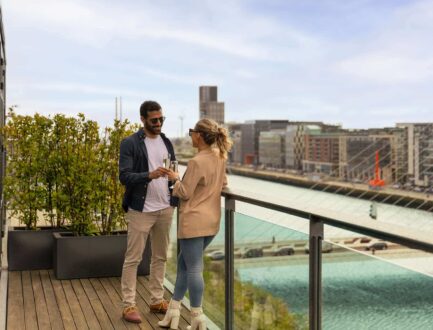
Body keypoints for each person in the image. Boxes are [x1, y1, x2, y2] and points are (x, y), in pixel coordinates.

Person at [158, 118, 232, 330]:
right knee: (183, 265)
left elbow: (185, 192)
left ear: (199, 135)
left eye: (192, 131)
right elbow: (223, 185)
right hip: (211, 222)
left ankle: (197, 316)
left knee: (193, 269)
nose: (190, 135)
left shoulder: (197, 162)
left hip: (193, 223)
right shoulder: (219, 157)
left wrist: (174, 178)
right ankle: (173, 312)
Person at [119, 100, 178, 324]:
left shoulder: (166, 142)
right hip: (140, 210)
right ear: (142, 119)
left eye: (161, 119)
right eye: (154, 120)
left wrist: (174, 188)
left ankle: (156, 300)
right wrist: (149, 175)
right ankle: (128, 305)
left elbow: (173, 170)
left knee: (160, 257)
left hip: (165, 208)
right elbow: (123, 176)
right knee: (133, 258)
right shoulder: (130, 143)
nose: (158, 123)